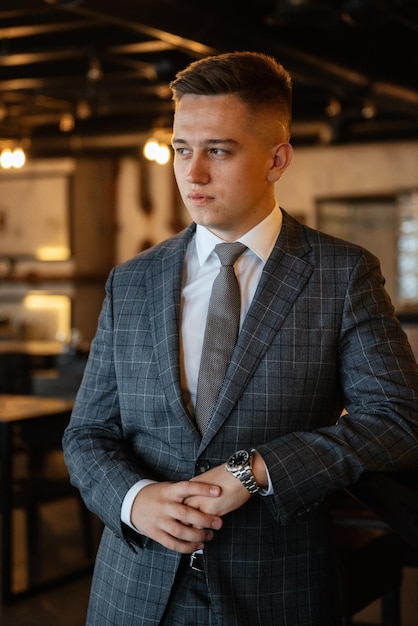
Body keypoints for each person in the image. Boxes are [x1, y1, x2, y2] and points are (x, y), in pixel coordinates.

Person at [62, 51, 418, 626]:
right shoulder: (131, 281)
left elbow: (397, 421)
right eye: (182, 149)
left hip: (277, 590)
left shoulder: (342, 274)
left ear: (277, 159)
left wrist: (257, 469)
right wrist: (133, 501)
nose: (192, 173)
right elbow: (87, 433)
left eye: (218, 151)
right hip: (133, 593)